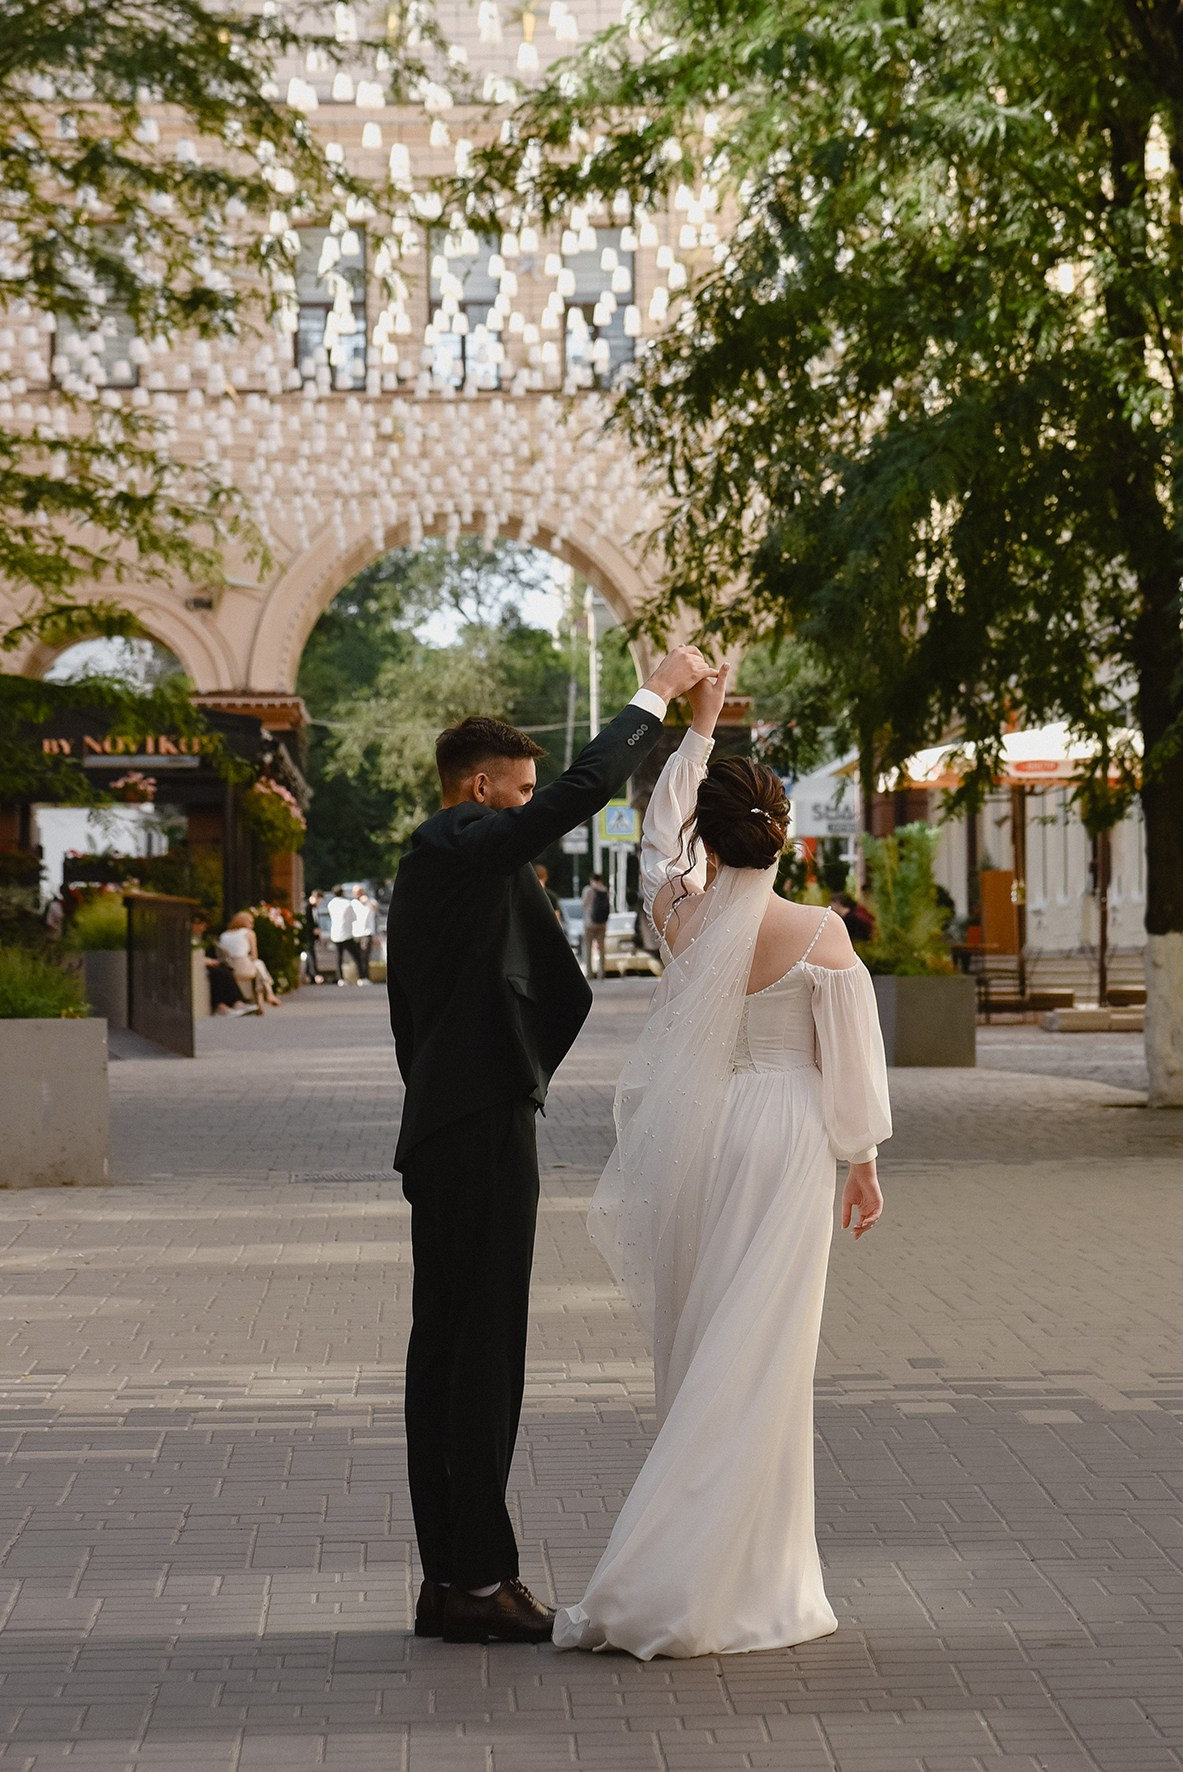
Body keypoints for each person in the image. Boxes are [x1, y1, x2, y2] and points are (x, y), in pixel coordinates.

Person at [553, 663, 892, 1660]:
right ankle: (740, 1574)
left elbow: (658, 836)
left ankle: (691, 1560)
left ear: (708, 832)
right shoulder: (822, 934)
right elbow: (851, 1065)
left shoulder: (680, 916)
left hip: (701, 1134)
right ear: (783, 831)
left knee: (703, 1338)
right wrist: (862, 1159)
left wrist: (698, 725)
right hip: (786, 1141)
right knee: (766, 1355)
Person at [386, 643, 712, 1647]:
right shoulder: (457, 840)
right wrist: (653, 697)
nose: (535, 813)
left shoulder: (448, 862)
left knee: (448, 1353)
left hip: (457, 1122)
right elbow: (576, 792)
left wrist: (696, 730)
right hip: (476, 1124)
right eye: (519, 792)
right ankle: (477, 1580)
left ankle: (452, 1579)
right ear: (480, 790)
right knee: (478, 1355)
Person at [194, 915, 257, 1016]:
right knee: (217, 973)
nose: (203, 928)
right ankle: (221, 1006)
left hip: (206, 962)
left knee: (225, 971)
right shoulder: (248, 933)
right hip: (199, 964)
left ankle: (237, 1002)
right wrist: (205, 960)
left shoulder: (222, 935)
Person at [218, 910, 282, 1009]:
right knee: (259, 964)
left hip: (229, 969)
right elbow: (254, 955)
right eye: (250, 922)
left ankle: (268, 995)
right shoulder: (249, 933)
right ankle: (268, 994)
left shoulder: (224, 935)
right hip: (244, 968)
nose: (252, 925)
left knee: (258, 966)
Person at [326, 886, 363, 985]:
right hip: (347, 933)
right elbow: (354, 917)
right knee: (356, 957)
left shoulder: (331, 904)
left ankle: (340, 979)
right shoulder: (347, 904)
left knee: (339, 957)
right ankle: (361, 977)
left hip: (335, 934)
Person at [580, 873, 610, 978]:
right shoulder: (604, 890)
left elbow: (583, 904)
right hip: (602, 924)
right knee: (602, 949)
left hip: (589, 923)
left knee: (588, 948)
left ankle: (589, 974)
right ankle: (602, 973)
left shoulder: (588, 890)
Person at [352, 886, 377, 982]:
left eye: (359, 891)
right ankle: (360, 977)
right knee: (358, 956)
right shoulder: (353, 903)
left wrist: (367, 901)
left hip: (367, 932)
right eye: (355, 892)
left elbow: (375, 907)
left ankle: (366, 977)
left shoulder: (370, 901)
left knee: (365, 956)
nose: (357, 894)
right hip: (355, 932)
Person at [303, 889, 325, 984]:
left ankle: (308, 974)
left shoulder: (314, 908)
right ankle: (315, 974)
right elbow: (307, 922)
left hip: (312, 935)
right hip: (308, 935)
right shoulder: (307, 907)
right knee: (311, 954)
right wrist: (313, 929)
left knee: (310, 954)